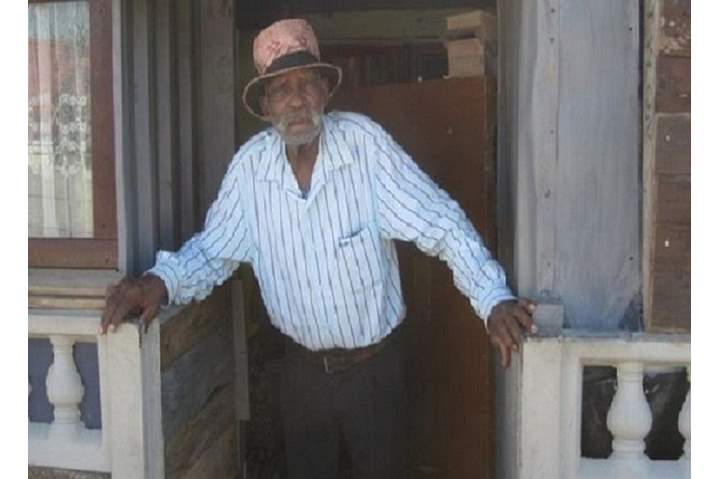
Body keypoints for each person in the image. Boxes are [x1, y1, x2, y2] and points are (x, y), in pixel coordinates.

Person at [102, 18, 536, 479]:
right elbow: (213, 252)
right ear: (265, 106)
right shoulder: (250, 171)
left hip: (375, 372)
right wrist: (160, 281)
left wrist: (492, 297)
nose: (295, 100)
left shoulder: (364, 147)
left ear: (325, 92)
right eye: (280, 89)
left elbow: (441, 223)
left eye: (306, 83)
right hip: (302, 374)